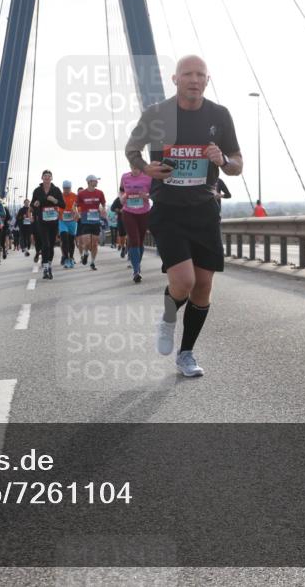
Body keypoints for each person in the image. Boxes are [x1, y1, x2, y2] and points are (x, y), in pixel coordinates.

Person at [124, 55, 244, 377]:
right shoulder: (157, 114)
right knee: (184, 281)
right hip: (169, 210)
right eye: (187, 74)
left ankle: (186, 354)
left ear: (208, 79)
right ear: (175, 79)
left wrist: (224, 161)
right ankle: (167, 318)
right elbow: (132, 149)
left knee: (203, 287)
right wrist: (145, 167)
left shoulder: (219, 115)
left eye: (200, 74)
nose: (194, 79)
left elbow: (236, 164)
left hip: (205, 209)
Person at [31, 170, 65, 279]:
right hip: (42, 221)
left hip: (53, 221)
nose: (46, 177)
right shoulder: (37, 191)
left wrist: (55, 201)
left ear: (51, 178)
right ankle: (45, 268)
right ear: (42, 178)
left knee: (51, 245)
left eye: (49, 176)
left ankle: (49, 265)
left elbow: (62, 205)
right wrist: (35, 204)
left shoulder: (56, 190)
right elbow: (32, 204)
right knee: (45, 244)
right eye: (45, 176)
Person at [120, 166, 152, 283]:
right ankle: (136, 271)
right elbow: (121, 190)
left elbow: (155, 193)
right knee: (134, 240)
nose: (134, 167)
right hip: (128, 212)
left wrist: (147, 196)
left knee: (140, 242)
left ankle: (137, 265)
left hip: (144, 213)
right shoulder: (125, 176)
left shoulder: (148, 177)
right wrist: (122, 197)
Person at [76, 175, 106, 271]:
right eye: (95, 180)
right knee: (87, 242)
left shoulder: (100, 193)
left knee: (95, 244)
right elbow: (74, 205)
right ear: (89, 182)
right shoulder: (81, 194)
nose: (97, 182)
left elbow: (103, 204)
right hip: (85, 221)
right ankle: (85, 253)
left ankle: (92, 262)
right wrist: (77, 214)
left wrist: (103, 210)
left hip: (96, 221)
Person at [59, 180, 79, 268]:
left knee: (71, 241)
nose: (66, 190)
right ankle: (66, 259)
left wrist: (77, 213)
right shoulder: (59, 196)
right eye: (65, 188)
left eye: (68, 188)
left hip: (72, 221)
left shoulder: (75, 196)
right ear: (62, 188)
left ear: (70, 188)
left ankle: (71, 258)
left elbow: (80, 206)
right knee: (64, 239)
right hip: (62, 220)